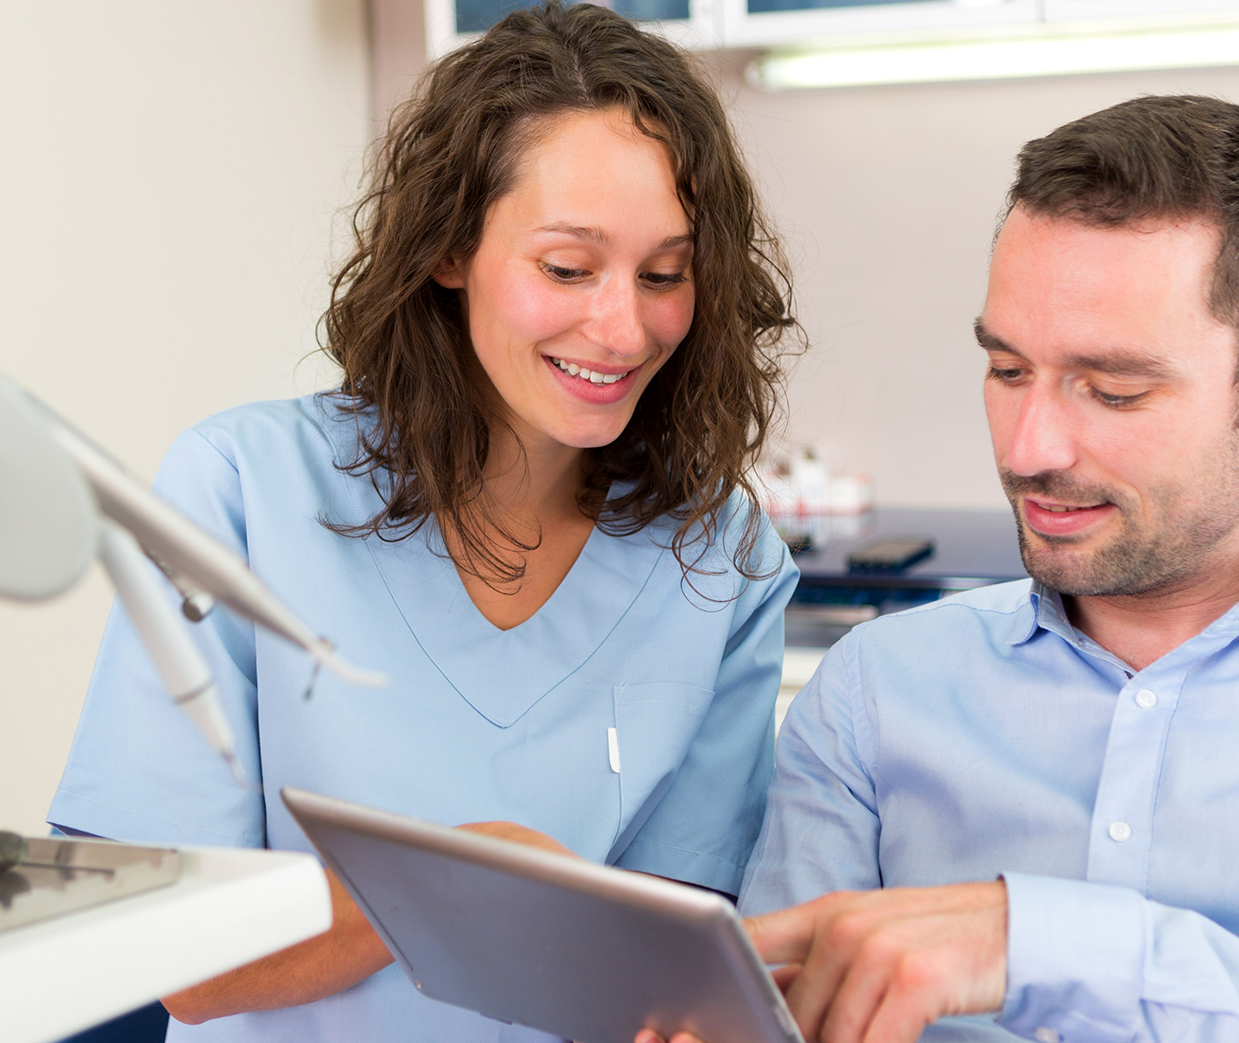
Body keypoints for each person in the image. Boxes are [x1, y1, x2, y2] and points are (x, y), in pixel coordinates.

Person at [659, 96, 1239, 1043]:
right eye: (1005, 370)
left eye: (1114, 389)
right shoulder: (871, 696)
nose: (1029, 447)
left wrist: (1051, 946)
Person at [46, 4, 801, 1041]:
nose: (625, 327)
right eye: (568, 268)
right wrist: (474, 870)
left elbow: (667, 970)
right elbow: (171, 954)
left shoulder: (726, 560)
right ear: (450, 247)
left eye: (665, 274)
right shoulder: (239, 492)